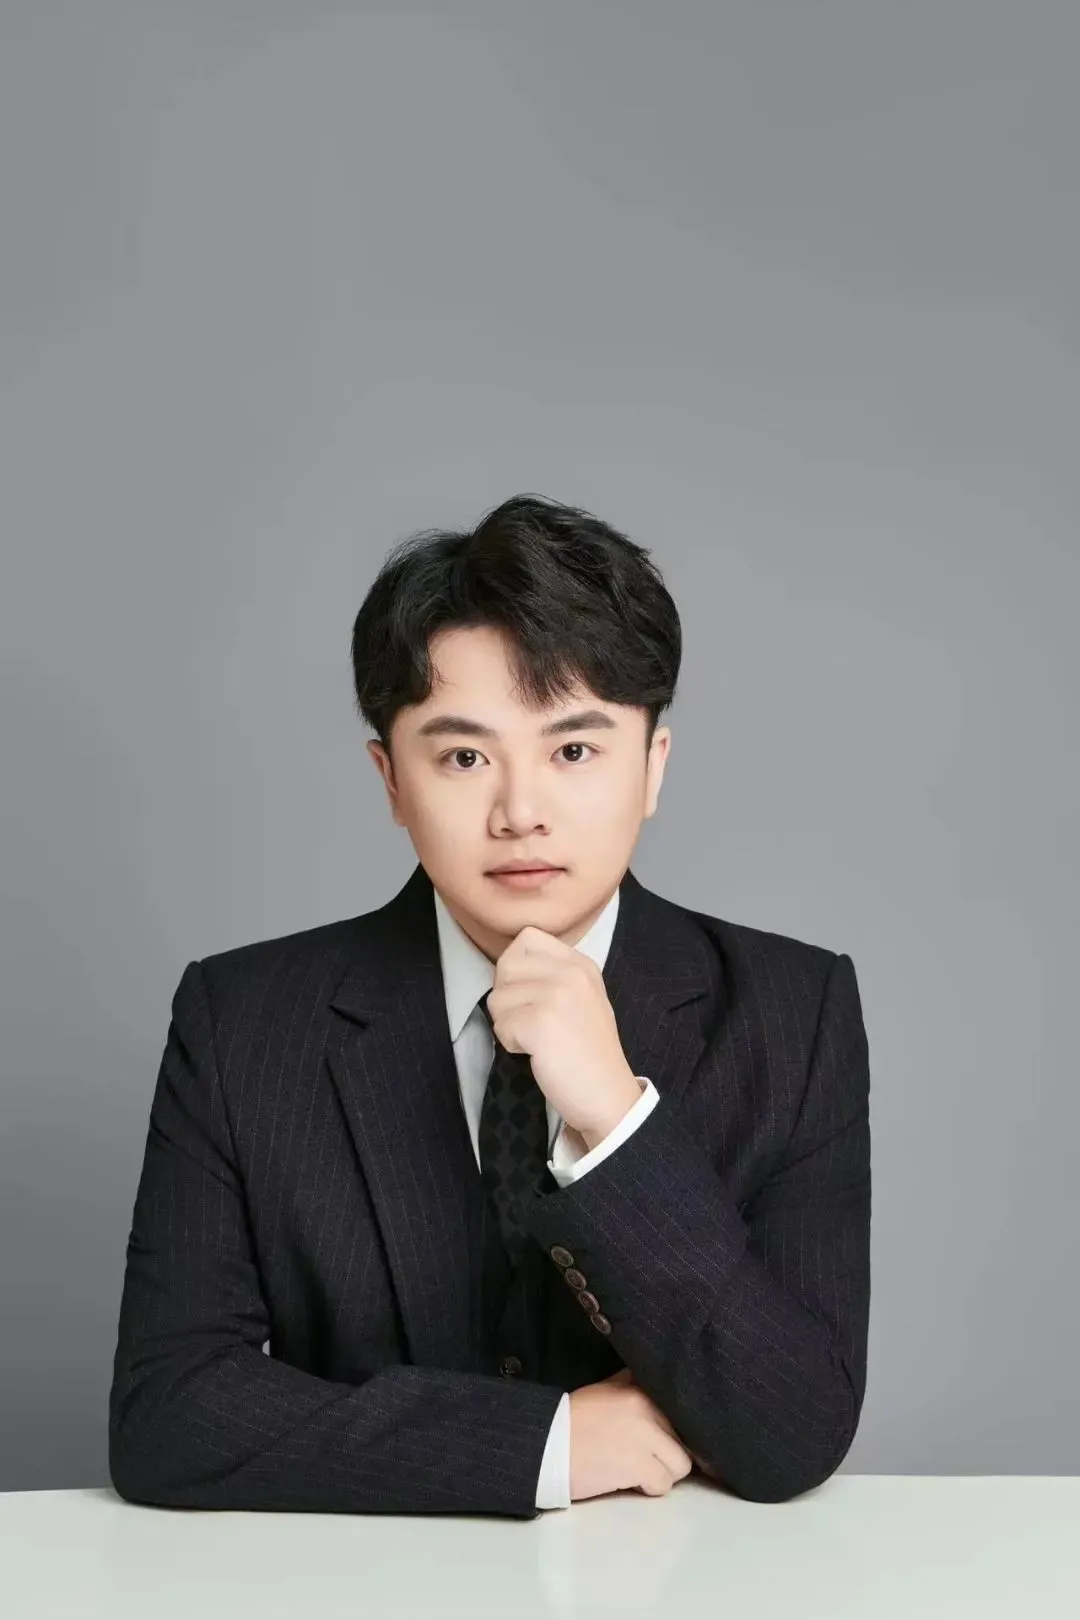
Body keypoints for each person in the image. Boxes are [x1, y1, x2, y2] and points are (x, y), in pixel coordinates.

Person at [108, 493, 871, 1519]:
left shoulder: (792, 1012)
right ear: (390, 778)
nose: (521, 812)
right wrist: (546, 1445)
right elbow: (167, 1416)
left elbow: (796, 1430)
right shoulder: (240, 1021)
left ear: (653, 768)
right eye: (464, 757)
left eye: (574, 750)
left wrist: (617, 1122)